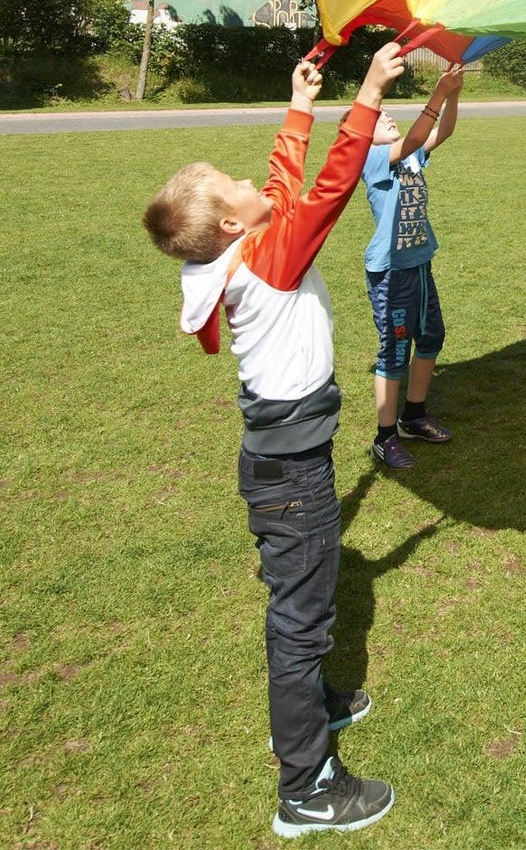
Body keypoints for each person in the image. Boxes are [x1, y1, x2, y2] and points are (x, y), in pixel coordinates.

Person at [142, 46, 406, 839]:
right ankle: (307, 786)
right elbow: (323, 193)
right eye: (237, 186)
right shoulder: (268, 257)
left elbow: (285, 188)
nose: (255, 184)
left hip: (282, 462)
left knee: (302, 606)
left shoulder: (239, 250)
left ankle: (311, 711)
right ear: (230, 221)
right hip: (291, 475)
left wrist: (299, 105)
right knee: (300, 619)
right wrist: (363, 95)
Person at [362, 63, 465, 470]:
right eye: (378, 116)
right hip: (392, 272)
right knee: (395, 349)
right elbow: (418, 134)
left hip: (420, 263)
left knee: (431, 337)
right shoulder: (371, 158)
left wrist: (454, 93)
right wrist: (437, 94)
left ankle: (414, 415)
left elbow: (443, 132)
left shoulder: (410, 158)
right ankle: (385, 437)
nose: (386, 115)